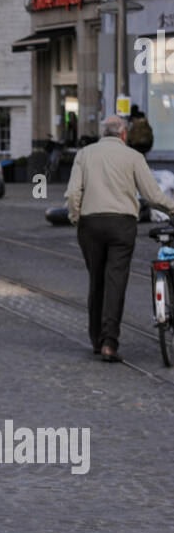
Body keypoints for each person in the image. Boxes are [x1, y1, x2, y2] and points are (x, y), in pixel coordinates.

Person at [65, 114, 174, 361]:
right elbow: (153, 195)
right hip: (122, 225)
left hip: (90, 224)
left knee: (97, 280)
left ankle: (96, 339)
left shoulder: (85, 154)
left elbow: (73, 193)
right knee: (115, 281)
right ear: (123, 134)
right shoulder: (133, 157)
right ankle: (109, 343)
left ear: (104, 133)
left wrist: (76, 217)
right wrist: (173, 209)